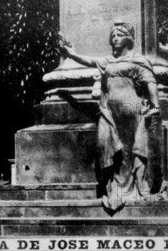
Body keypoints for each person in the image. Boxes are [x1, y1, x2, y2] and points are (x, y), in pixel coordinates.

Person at [60, 22, 162, 213]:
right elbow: (89, 61)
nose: (115, 38)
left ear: (129, 39)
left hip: (133, 110)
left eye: (120, 35)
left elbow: (151, 84)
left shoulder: (137, 60)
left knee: (131, 150)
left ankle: (132, 186)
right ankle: (115, 186)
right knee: (107, 146)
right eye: (113, 35)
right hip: (110, 112)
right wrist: (72, 54)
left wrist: (155, 106)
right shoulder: (107, 61)